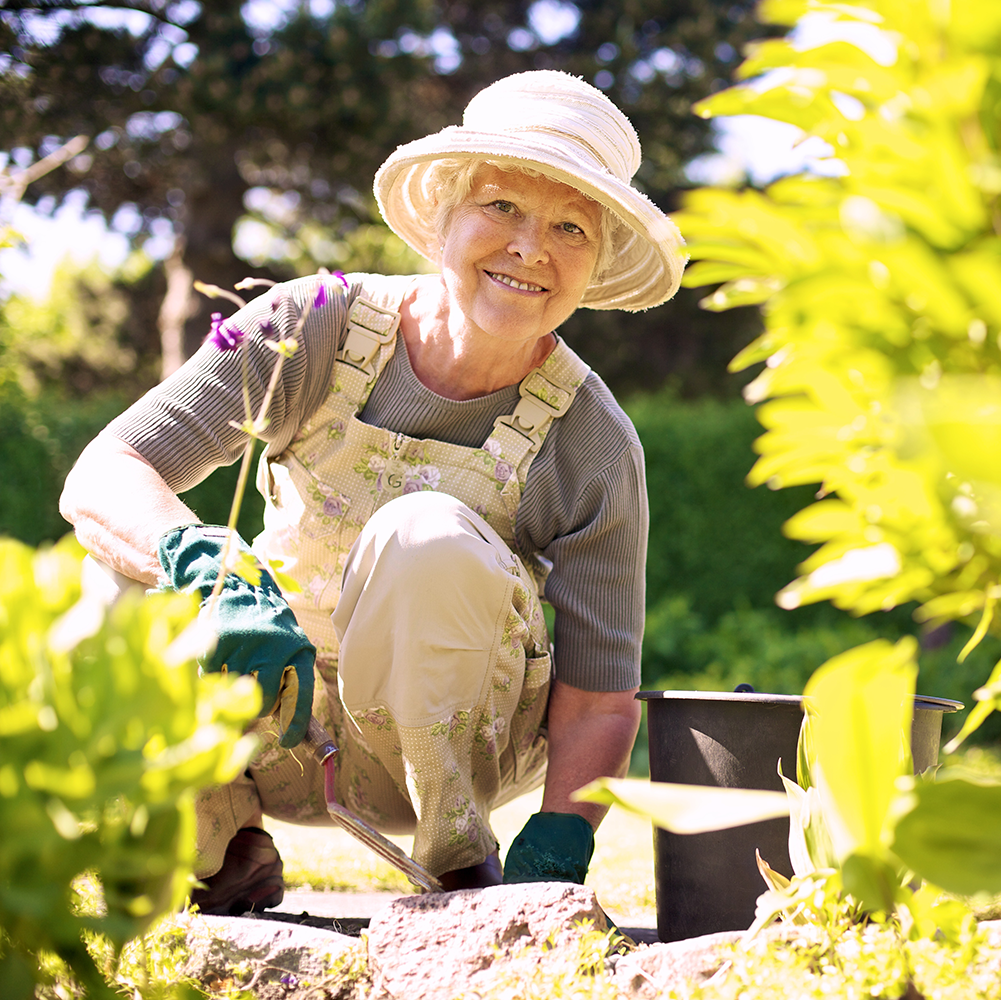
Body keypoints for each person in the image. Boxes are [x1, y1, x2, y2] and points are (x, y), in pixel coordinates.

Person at [60, 70, 686, 914]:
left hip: (451, 757)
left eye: (569, 227)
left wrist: (563, 837)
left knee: (426, 533)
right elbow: (107, 473)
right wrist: (204, 569)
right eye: (500, 207)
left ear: (595, 260)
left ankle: (461, 867)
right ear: (442, 219)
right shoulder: (307, 325)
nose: (530, 248)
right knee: (111, 574)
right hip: (266, 718)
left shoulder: (590, 441)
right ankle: (215, 844)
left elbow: (600, 698)